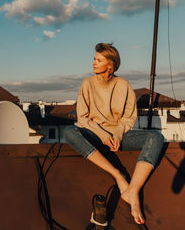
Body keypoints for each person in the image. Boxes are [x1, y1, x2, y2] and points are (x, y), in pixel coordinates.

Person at [64, 43, 164, 225]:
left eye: (98, 60)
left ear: (109, 65)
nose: (93, 62)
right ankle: (118, 175)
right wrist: (103, 135)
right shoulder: (88, 84)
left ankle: (133, 190)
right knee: (69, 132)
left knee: (156, 137)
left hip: (119, 137)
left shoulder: (123, 85)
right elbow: (83, 118)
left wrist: (116, 135)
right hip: (95, 136)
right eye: (94, 59)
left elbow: (128, 118)